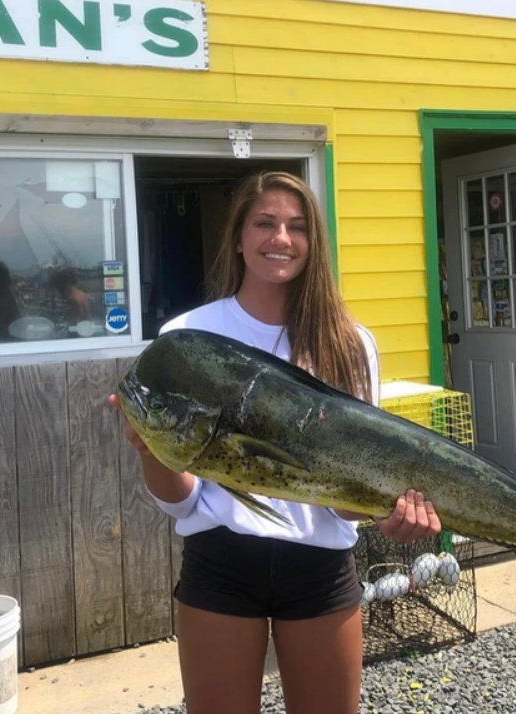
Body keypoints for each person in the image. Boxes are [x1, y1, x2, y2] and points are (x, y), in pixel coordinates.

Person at [109, 171, 442, 714]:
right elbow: (181, 501)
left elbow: (343, 500)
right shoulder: (186, 338)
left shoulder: (349, 343)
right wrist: (151, 450)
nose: (280, 238)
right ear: (238, 236)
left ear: (313, 243)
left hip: (320, 571)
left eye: (296, 226)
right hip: (220, 565)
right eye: (265, 223)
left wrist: (389, 512)